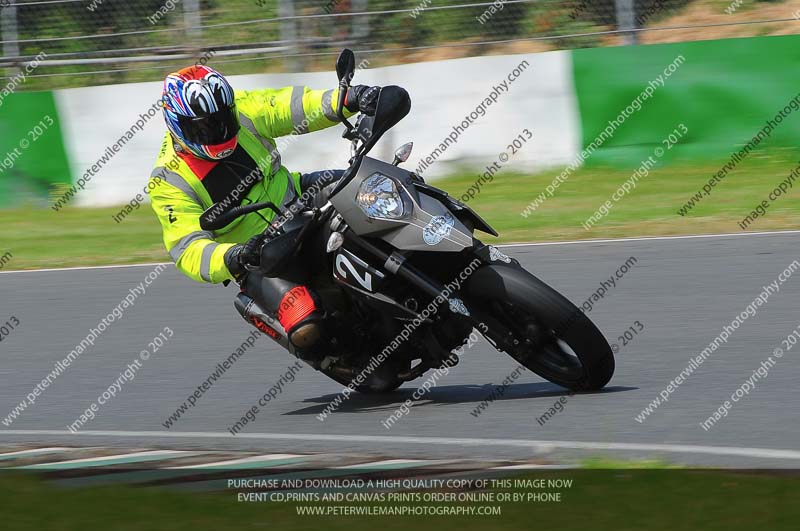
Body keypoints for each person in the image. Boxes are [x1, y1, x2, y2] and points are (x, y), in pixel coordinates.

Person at [147, 64, 380, 353]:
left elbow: (292, 107)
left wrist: (348, 99)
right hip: (258, 255)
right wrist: (233, 256)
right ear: (177, 124)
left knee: (373, 185)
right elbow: (188, 249)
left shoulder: (244, 109)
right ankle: (352, 355)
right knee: (307, 327)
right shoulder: (169, 180)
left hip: (301, 197)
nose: (218, 131)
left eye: (223, 119)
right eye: (204, 127)